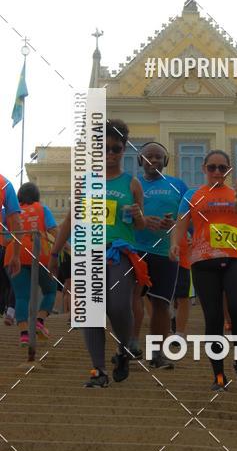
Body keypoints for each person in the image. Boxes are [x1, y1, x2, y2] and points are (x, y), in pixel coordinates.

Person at [50, 119, 149, 387]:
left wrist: (138, 215)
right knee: (91, 313)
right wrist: (54, 253)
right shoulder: (86, 182)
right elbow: (70, 220)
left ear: (124, 149)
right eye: (103, 148)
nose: (109, 154)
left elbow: (140, 226)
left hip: (120, 253)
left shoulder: (132, 184)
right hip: (88, 253)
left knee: (118, 305)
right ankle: (98, 370)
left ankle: (123, 349)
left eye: (115, 148)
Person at [170, 150, 237, 389]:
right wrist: (175, 244)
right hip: (203, 260)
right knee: (214, 317)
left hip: (236, 257)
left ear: (229, 170)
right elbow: (181, 225)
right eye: (212, 167)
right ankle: (218, 375)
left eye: (222, 168)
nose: (217, 172)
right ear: (204, 169)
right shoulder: (192, 194)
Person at [131, 142, 188, 368]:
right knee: (132, 300)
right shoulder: (131, 185)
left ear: (165, 161)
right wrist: (142, 221)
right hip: (135, 251)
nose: (153, 160)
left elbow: (187, 217)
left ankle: (157, 354)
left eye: (158, 157)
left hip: (166, 254)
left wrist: (174, 223)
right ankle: (129, 346)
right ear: (140, 160)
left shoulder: (178, 185)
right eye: (148, 157)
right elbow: (122, 215)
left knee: (161, 304)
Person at [3, 182, 56, 347]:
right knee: (50, 291)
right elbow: (55, 231)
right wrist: (67, 249)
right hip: (38, 254)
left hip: (13, 255)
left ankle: (24, 334)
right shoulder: (42, 209)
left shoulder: (8, 212)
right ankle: (39, 322)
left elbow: (5, 237)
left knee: (21, 296)